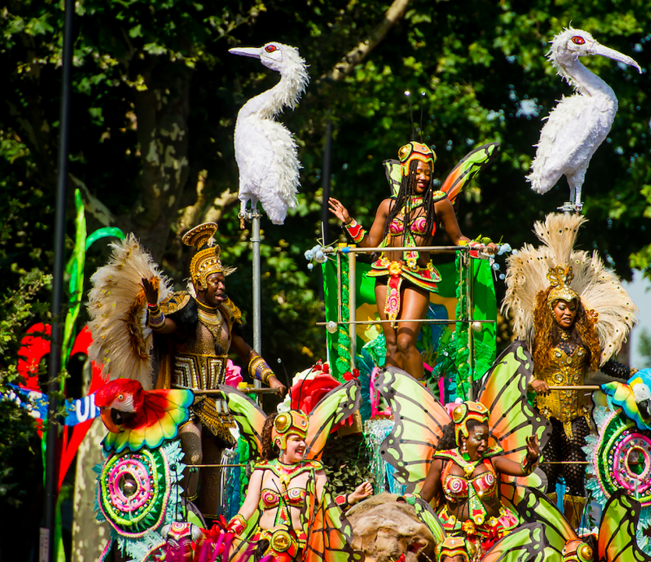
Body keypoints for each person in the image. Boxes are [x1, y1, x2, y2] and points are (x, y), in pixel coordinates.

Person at [142, 222, 287, 524]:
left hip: (217, 408)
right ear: (201, 281)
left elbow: (246, 353)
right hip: (185, 405)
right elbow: (161, 327)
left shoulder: (225, 317)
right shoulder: (186, 308)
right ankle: (177, 523)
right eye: (216, 282)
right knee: (192, 460)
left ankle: (207, 536)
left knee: (214, 475)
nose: (222, 287)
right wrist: (154, 306)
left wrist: (271, 378)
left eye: (223, 282)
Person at [502, 213, 638, 529]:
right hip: (544, 414)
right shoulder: (535, 341)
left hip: (577, 415)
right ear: (550, 309)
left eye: (571, 308)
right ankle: (547, 530)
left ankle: (572, 533)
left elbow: (605, 365)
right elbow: (516, 369)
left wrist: (633, 375)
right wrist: (533, 379)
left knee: (576, 472)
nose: (567, 312)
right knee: (547, 471)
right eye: (561, 307)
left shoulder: (585, 340)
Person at [328, 142, 495, 379]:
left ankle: (422, 401)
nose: (423, 177)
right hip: (386, 275)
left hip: (418, 275)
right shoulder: (389, 205)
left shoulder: (439, 203)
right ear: (407, 171)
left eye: (428, 172)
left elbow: (458, 238)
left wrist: (480, 246)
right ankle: (390, 406)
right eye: (418, 171)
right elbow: (369, 246)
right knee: (392, 343)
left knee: (406, 341)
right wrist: (348, 221)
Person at [226, 411, 373, 561]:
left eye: (303, 440)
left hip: (301, 549)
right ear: (280, 442)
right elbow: (249, 506)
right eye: (296, 440)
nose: (303, 444)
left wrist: (352, 497)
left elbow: (328, 506)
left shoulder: (313, 471)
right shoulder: (262, 471)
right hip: (265, 547)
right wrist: (231, 529)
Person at [418, 402, 540, 559]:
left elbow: (522, 469)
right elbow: (424, 498)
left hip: (493, 532)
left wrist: (531, 457)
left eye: (486, 438)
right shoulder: (443, 461)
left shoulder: (492, 459)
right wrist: (405, 504)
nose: (484, 443)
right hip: (453, 534)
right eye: (478, 438)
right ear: (463, 436)